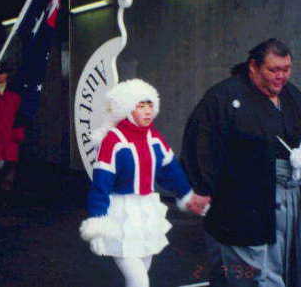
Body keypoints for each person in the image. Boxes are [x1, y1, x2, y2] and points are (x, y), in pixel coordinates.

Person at [181, 38, 301, 287]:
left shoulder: (292, 95)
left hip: (287, 194)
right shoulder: (223, 97)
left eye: (286, 69)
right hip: (240, 199)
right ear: (253, 67)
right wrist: (202, 189)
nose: (281, 76)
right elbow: (199, 145)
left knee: (280, 265)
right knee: (253, 272)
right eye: (273, 70)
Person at [79, 79, 209, 287]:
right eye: (141, 106)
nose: (148, 111)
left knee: (140, 276)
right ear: (127, 108)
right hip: (119, 214)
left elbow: (170, 171)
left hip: (146, 212)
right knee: (139, 280)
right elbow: (101, 184)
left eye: (150, 105)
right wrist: (97, 219)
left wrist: (186, 195)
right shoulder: (113, 140)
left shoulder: (153, 137)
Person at [0, 68, 25, 195]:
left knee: (10, 167)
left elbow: (19, 115)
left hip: (10, 135)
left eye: (2, 73)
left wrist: (18, 133)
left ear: (7, 75)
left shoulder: (15, 94)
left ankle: (6, 195)